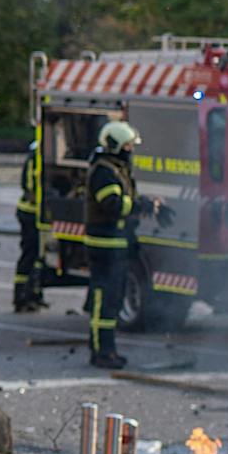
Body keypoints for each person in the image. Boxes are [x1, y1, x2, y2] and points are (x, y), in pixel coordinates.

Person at [84, 120, 139, 369]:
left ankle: (107, 349)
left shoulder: (115, 169)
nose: (131, 151)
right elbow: (114, 206)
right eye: (128, 146)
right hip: (103, 245)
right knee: (103, 301)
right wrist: (141, 206)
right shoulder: (103, 171)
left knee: (113, 300)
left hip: (115, 244)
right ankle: (102, 352)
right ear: (115, 146)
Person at [13, 134, 48, 313]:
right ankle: (21, 297)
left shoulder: (33, 157)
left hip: (31, 212)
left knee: (36, 257)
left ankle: (33, 294)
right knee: (30, 255)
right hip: (31, 213)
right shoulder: (35, 160)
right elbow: (32, 186)